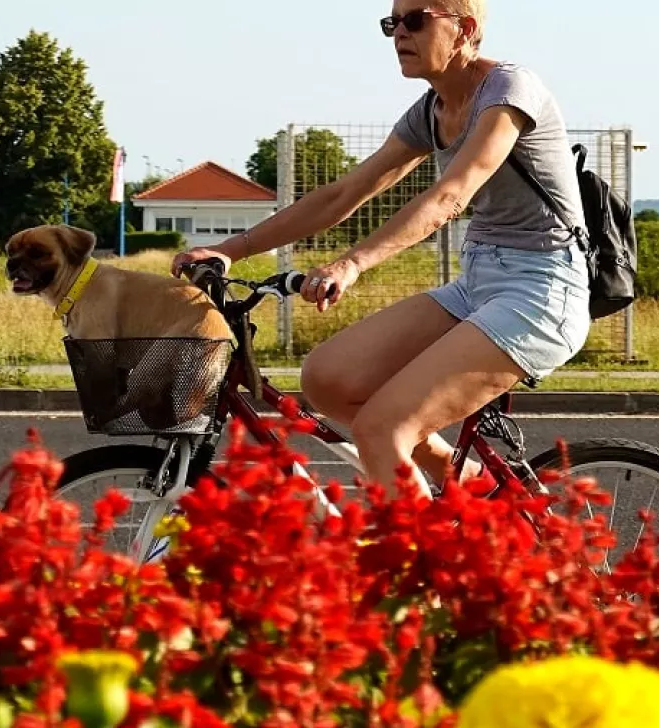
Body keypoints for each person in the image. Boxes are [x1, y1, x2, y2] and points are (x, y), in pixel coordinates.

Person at [171, 0, 590, 497]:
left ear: (465, 29)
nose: (399, 33)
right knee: (327, 379)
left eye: (416, 19)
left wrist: (352, 263)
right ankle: (474, 490)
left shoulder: (509, 91)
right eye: (391, 23)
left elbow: (452, 195)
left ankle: (417, 567)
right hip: (479, 281)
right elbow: (343, 194)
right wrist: (230, 250)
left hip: (542, 290)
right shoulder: (430, 112)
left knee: (383, 430)